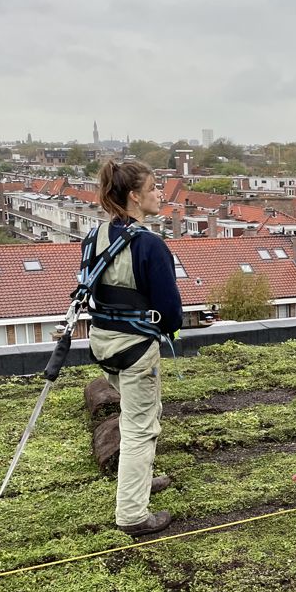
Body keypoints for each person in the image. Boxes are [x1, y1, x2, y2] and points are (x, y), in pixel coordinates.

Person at [84, 160, 183, 537]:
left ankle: (138, 479)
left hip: (104, 343)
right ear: (134, 196)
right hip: (137, 348)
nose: (160, 194)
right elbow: (170, 310)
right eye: (154, 187)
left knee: (139, 410)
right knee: (141, 427)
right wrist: (167, 327)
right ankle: (132, 515)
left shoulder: (95, 236)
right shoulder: (149, 245)